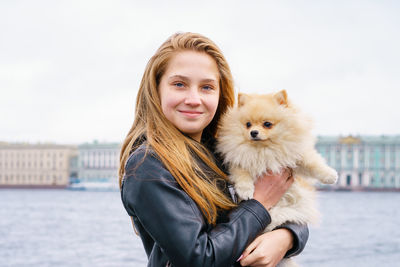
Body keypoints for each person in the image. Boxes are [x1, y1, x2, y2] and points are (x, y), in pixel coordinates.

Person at [119, 32, 308, 267]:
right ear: (156, 89)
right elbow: (197, 258)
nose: (194, 99)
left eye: (207, 87)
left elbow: (290, 204)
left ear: (220, 93)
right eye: (179, 84)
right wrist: (259, 205)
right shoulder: (148, 165)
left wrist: (287, 237)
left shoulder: (224, 151)